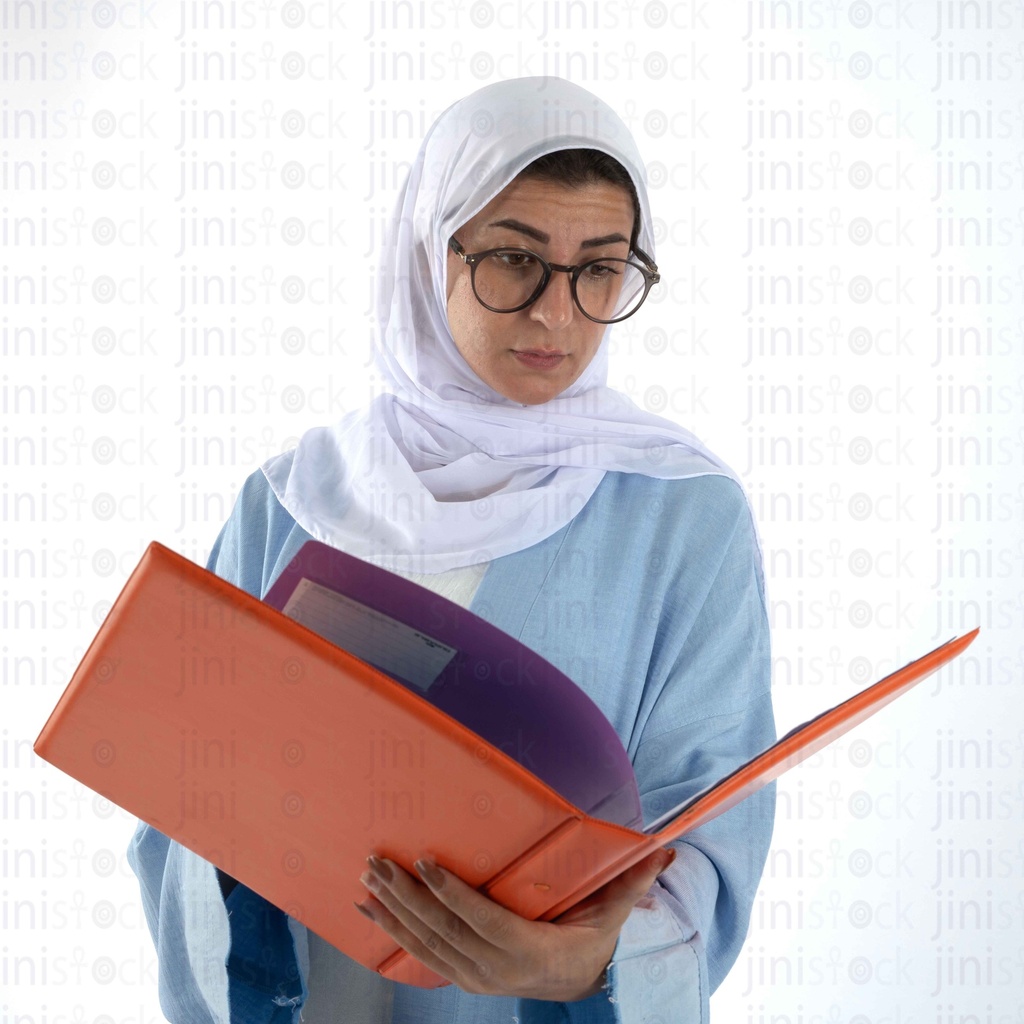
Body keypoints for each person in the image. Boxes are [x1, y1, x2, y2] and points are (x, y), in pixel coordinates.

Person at [127, 76, 776, 1023]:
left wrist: (580, 967)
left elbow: (710, 819)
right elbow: (180, 793)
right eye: (514, 260)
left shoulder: (682, 515)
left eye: (601, 268)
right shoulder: (297, 498)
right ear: (429, 253)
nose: (558, 315)